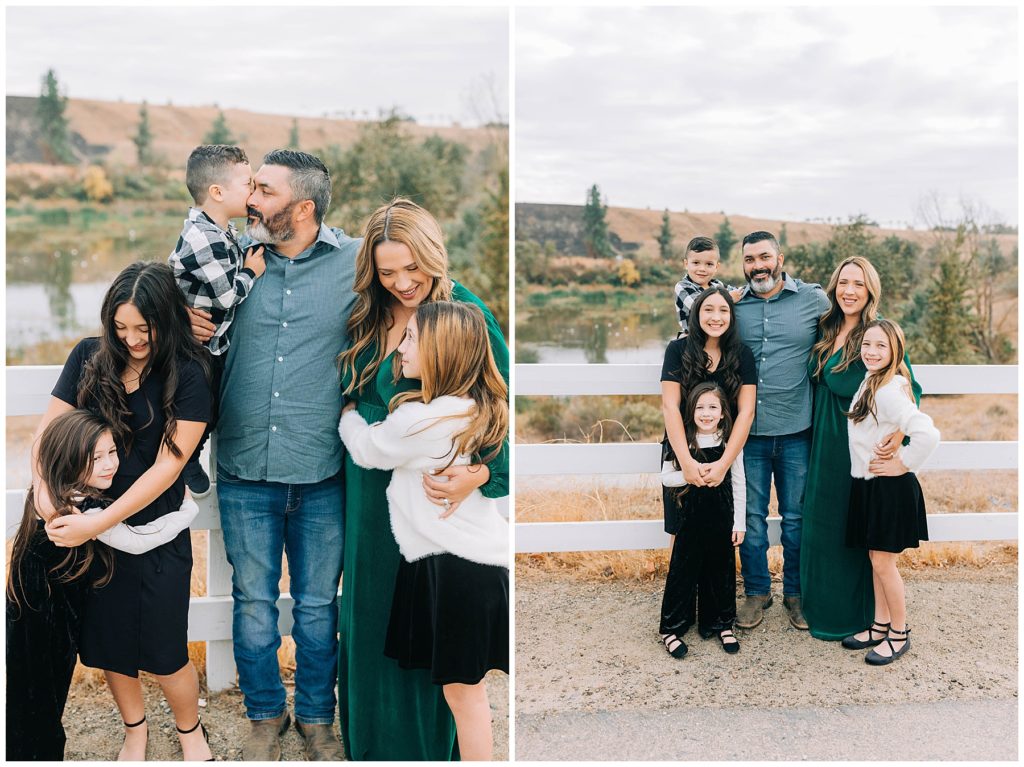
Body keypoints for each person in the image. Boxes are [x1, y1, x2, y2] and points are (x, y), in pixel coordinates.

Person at [188, 149, 358, 760]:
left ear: (303, 207)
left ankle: (317, 717)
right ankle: (265, 716)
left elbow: (437, 296)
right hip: (243, 468)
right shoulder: (221, 258)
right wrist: (182, 316)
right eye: (250, 186)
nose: (249, 198)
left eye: (263, 189)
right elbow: (150, 306)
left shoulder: (356, 263)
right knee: (253, 604)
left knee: (318, 607)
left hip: (322, 469)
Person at [337, 198, 509, 761]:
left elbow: (502, 403)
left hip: (439, 502)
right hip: (369, 496)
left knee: (429, 634)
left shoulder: (463, 313)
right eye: (388, 272)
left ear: (433, 255)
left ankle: (429, 750)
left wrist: (479, 474)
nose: (403, 283)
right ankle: (374, 747)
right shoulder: (366, 314)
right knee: (369, 617)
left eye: (413, 268)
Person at [40, 262, 213, 761]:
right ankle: (134, 730)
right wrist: (48, 497)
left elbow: (168, 465)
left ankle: (189, 731)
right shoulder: (88, 357)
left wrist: (100, 521)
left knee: (167, 650)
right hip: (95, 537)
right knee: (111, 645)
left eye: (145, 328)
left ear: (167, 319)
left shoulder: (190, 372)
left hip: (156, 529)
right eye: (121, 327)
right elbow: (49, 435)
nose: (133, 339)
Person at [6, 410, 199, 761]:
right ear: (69, 457)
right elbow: (139, 541)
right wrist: (186, 511)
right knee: (39, 692)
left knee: (28, 685)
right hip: (48, 614)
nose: (109, 465)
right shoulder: (83, 510)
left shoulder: (53, 490)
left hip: (30, 604)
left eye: (112, 452)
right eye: (95, 458)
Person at [801, 257, 922, 640]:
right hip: (822, 442)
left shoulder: (876, 332)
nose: (849, 290)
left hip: (856, 447)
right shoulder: (826, 327)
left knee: (851, 530)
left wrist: (899, 436)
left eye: (858, 284)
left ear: (870, 290)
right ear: (834, 287)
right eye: (843, 282)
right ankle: (819, 609)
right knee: (820, 525)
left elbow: (908, 384)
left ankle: (863, 618)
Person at [732, 231, 831, 631]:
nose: (758, 265)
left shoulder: (813, 299)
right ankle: (757, 592)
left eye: (764, 256)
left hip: (797, 431)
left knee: (797, 518)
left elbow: (854, 335)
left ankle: (796, 594)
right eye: (749, 259)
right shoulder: (734, 305)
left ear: (780, 257)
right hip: (748, 433)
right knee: (751, 519)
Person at [168, 144, 266, 496]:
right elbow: (226, 296)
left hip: (213, 342)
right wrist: (252, 272)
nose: (253, 192)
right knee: (198, 403)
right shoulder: (203, 237)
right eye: (248, 184)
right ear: (218, 192)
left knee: (214, 404)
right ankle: (186, 458)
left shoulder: (218, 230)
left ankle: (190, 451)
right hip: (193, 346)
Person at [843, 319, 939, 664]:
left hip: (890, 488)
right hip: (870, 486)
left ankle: (899, 633)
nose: (871, 351)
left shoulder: (887, 390)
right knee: (875, 560)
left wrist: (904, 463)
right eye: (867, 344)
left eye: (880, 346)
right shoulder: (875, 381)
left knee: (884, 563)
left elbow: (927, 433)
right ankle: (879, 624)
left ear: (895, 350)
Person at [661, 288, 756, 547]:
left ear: (732, 317)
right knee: (680, 526)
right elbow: (670, 407)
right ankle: (682, 587)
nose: (716, 317)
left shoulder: (742, 354)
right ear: (697, 314)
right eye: (708, 310)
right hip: (683, 447)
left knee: (719, 525)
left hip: (724, 450)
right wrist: (687, 463)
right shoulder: (677, 350)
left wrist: (725, 463)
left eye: (724, 310)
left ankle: (715, 587)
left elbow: (746, 412)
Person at [659, 382, 746, 659]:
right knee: (682, 573)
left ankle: (720, 623)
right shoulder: (683, 440)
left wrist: (739, 523)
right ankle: (671, 628)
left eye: (712, 407)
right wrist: (692, 472)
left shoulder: (729, 442)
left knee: (720, 573)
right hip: (690, 521)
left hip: (722, 519)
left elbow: (740, 483)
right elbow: (666, 477)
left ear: (723, 413)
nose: (706, 413)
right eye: (700, 407)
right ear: (691, 411)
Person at [673, 236, 728, 335]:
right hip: (691, 339)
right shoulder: (683, 287)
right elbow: (699, 306)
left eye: (709, 264)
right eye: (696, 263)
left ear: (716, 267)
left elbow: (739, 292)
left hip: (715, 338)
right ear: (686, 264)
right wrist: (730, 298)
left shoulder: (717, 285)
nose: (702, 268)